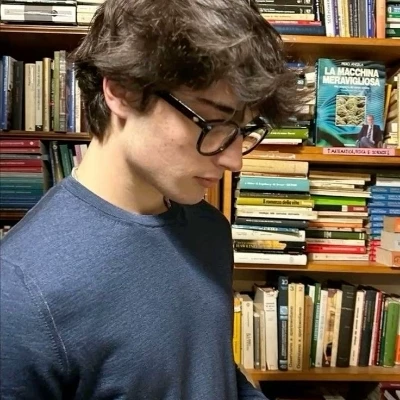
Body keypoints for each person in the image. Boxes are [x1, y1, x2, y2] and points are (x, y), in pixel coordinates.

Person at [0, 0, 299, 398]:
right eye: (213, 123)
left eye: (243, 131)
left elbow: (208, 373)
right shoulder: (21, 291)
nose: (234, 159)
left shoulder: (209, 227)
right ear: (121, 91)